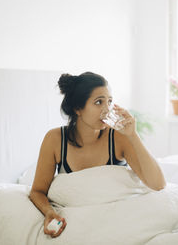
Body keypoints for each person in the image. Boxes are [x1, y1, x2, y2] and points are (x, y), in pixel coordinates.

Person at [29, 72, 166, 238]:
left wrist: (133, 136)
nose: (107, 109)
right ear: (77, 108)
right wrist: (49, 212)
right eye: (99, 102)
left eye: (109, 101)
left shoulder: (118, 136)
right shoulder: (55, 139)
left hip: (118, 220)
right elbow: (37, 191)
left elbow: (158, 184)